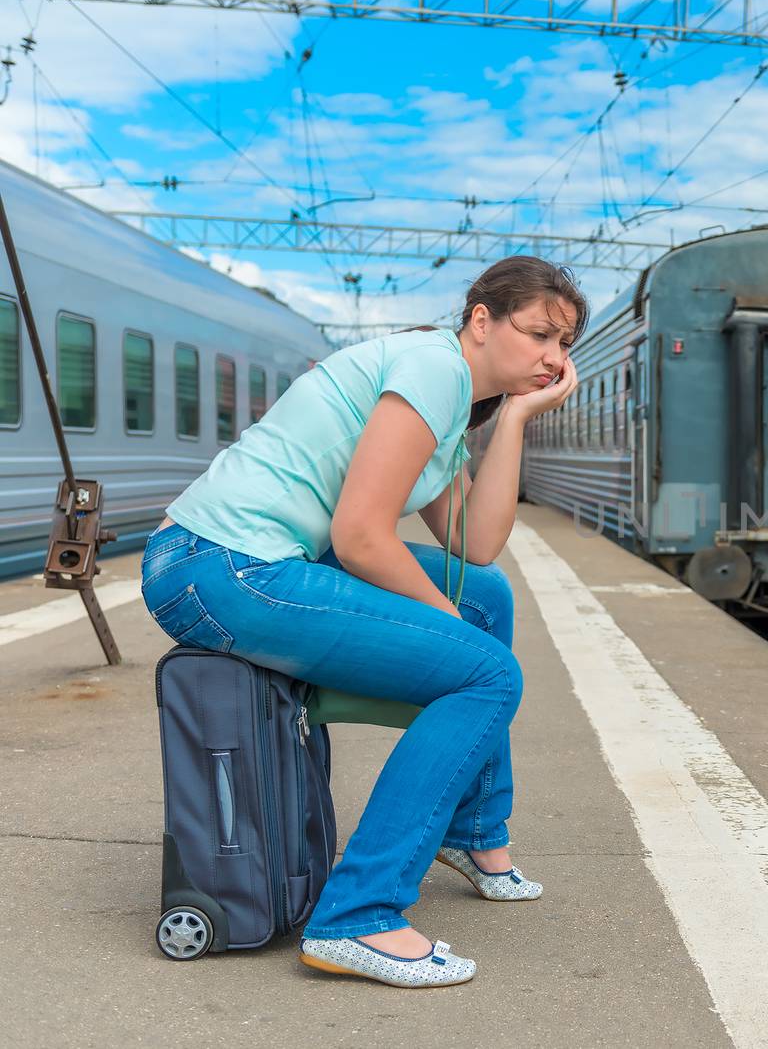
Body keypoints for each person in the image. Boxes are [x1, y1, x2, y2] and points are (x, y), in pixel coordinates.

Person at [139, 256, 584, 987]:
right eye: (540, 334)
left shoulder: (453, 393)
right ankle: (359, 915)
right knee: (486, 672)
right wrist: (451, 631)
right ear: (481, 321)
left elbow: (475, 544)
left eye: (564, 344)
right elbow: (362, 537)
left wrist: (516, 418)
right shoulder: (432, 370)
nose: (553, 357)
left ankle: (471, 830)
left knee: (486, 596)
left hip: (236, 563)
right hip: (220, 568)